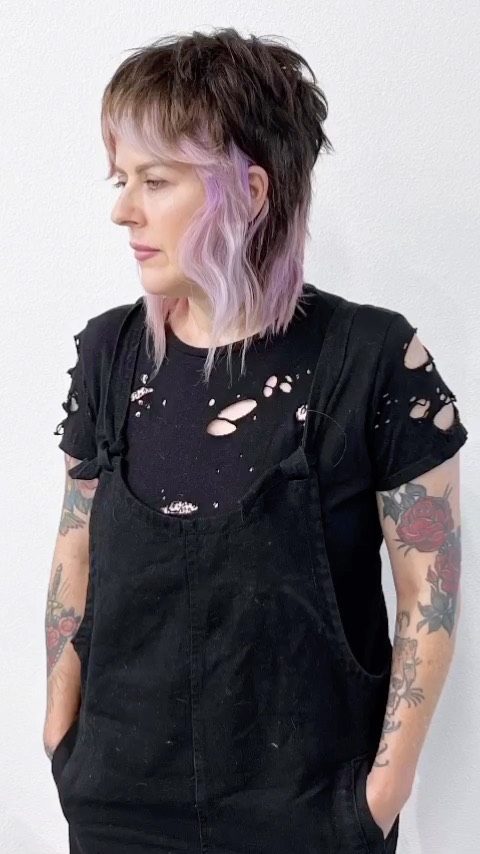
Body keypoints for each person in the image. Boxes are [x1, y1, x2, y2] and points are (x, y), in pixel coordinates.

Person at [44, 27, 468, 854]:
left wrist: (380, 796)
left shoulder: (376, 360)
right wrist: (63, 740)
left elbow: (430, 594)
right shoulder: (109, 356)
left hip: (310, 817)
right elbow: (74, 553)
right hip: (118, 812)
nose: (123, 209)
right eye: (123, 179)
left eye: (155, 181)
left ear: (250, 190)